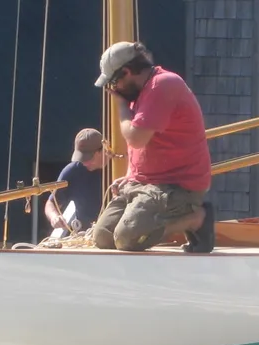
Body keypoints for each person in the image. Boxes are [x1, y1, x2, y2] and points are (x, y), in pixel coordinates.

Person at [91, 41, 215, 253]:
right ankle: (180, 218)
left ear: (127, 72)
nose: (113, 90)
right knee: (103, 236)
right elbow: (143, 148)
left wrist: (121, 107)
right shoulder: (140, 93)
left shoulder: (163, 85)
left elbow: (136, 138)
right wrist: (131, 175)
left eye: (113, 83)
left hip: (177, 186)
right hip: (145, 184)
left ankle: (196, 218)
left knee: (126, 238)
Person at [44, 128, 107, 233]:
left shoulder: (119, 167)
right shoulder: (72, 170)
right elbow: (51, 203)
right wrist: (54, 217)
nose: (84, 162)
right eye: (81, 158)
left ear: (102, 151)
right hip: (86, 235)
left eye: (88, 158)